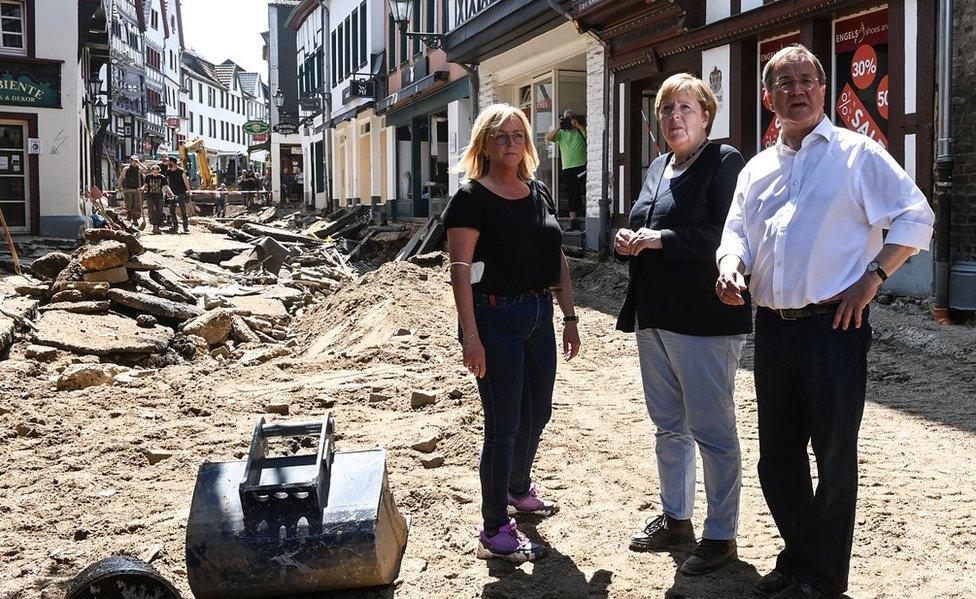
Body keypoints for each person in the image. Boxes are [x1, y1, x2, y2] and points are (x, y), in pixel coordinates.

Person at [716, 45, 935, 599]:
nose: (797, 89)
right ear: (769, 98)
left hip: (833, 329)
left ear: (822, 88)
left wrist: (875, 277)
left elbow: (916, 216)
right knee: (777, 458)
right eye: (784, 82)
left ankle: (822, 578)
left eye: (807, 79)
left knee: (833, 455)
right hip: (773, 328)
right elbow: (736, 231)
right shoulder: (757, 168)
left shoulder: (857, 154)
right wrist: (730, 266)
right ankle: (800, 560)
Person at [613, 73, 751, 576]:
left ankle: (721, 534)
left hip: (705, 318)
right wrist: (627, 238)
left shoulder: (723, 161)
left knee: (713, 431)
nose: (675, 117)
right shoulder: (657, 167)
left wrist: (659, 240)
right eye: (667, 109)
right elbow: (643, 223)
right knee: (669, 427)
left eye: (685, 108)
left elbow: (728, 233)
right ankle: (677, 518)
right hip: (655, 316)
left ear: (706, 115)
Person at [444, 103, 581, 564]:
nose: (511, 143)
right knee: (503, 426)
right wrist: (470, 336)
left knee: (537, 411)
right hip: (496, 318)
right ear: (483, 143)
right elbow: (460, 271)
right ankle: (493, 528)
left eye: (518, 135)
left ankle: (517, 488)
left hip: (541, 313)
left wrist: (570, 316)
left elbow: (555, 256)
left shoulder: (537, 191)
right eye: (501, 136)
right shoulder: (471, 198)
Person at [545, 110, 587, 231]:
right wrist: (558, 127)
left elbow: (590, 136)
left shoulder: (580, 130)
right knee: (571, 194)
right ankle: (573, 221)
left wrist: (578, 125)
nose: (568, 121)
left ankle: (584, 216)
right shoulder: (562, 134)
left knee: (581, 192)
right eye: (566, 119)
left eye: (570, 118)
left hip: (581, 166)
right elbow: (548, 137)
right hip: (567, 168)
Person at [117, 155, 146, 229]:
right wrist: (119, 187)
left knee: (137, 204)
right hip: (128, 188)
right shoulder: (126, 169)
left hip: (137, 189)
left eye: (135, 161)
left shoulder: (139, 168)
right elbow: (121, 178)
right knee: (128, 203)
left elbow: (146, 170)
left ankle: (135, 219)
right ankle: (129, 214)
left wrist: (139, 163)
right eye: (133, 161)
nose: (134, 162)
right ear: (130, 161)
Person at [164, 156, 191, 234]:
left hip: (181, 192)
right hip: (172, 193)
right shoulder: (168, 171)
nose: (168, 163)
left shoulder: (181, 171)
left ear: (172, 162)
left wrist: (188, 191)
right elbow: (167, 182)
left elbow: (186, 181)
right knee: (172, 210)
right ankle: (175, 226)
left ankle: (185, 227)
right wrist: (168, 192)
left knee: (183, 211)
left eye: (169, 161)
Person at [143, 164, 171, 235]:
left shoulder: (162, 177)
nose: (155, 171)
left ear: (159, 170)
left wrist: (171, 193)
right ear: (152, 170)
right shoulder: (148, 177)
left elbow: (166, 186)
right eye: (154, 170)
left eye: (156, 170)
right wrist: (142, 189)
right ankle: (153, 225)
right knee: (151, 210)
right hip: (150, 196)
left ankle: (157, 226)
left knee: (159, 210)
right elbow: (145, 185)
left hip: (159, 196)